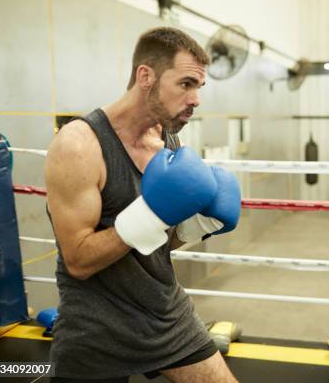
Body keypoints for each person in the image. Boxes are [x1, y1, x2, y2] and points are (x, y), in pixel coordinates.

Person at [44, 27, 240, 383]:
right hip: (96, 329)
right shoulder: (78, 146)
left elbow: (158, 244)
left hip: (166, 316)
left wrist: (199, 225)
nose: (195, 98)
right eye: (185, 84)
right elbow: (78, 261)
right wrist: (151, 212)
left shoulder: (168, 141)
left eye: (199, 87)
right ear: (145, 76)